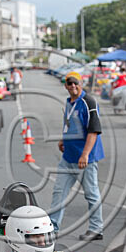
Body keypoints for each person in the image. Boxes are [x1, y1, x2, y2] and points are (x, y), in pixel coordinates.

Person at [48, 71, 105, 241]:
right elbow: (70, 124)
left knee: (91, 194)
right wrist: (62, 139)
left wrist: (85, 154)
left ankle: (96, 229)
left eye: (76, 83)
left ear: (81, 83)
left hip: (85, 159)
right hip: (68, 157)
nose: (73, 86)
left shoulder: (89, 102)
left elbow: (93, 130)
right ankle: (53, 228)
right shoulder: (68, 102)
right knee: (58, 192)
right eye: (69, 83)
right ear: (65, 85)